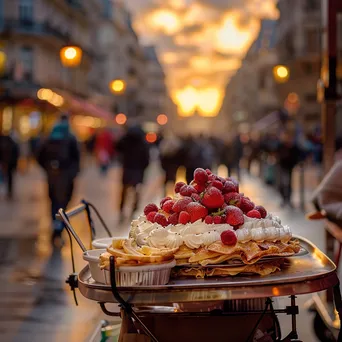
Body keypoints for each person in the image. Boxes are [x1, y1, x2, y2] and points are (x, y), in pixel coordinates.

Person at [37, 115, 80, 247]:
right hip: (66, 177)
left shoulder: (49, 138)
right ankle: (59, 230)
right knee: (64, 204)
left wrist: (48, 169)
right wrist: (72, 173)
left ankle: (56, 227)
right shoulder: (71, 138)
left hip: (52, 177)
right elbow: (77, 158)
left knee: (54, 203)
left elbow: (39, 156)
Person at [116, 125, 150, 220]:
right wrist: (143, 168)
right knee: (136, 192)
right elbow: (146, 159)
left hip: (127, 169)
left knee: (124, 192)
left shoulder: (126, 140)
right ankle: (133, 211)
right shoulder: (143, 143)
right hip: (138, 171)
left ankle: (122, 210)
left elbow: (117, 147)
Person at [276, 131, 300, 207]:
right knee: (281, 184)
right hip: (282, 166)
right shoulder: (281, 145)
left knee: (288, 184)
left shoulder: (294, 147)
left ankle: (288, 200)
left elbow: (297, 156)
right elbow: (277, 153)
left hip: (289, 167)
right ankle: (284, 199)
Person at [0, 132, 20, 199]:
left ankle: (9, 191)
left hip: (7, 163)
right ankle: (9, 191)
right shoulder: (13, 144)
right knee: (9, 178)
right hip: (11, 163)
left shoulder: (5, 144)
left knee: (7, 177)